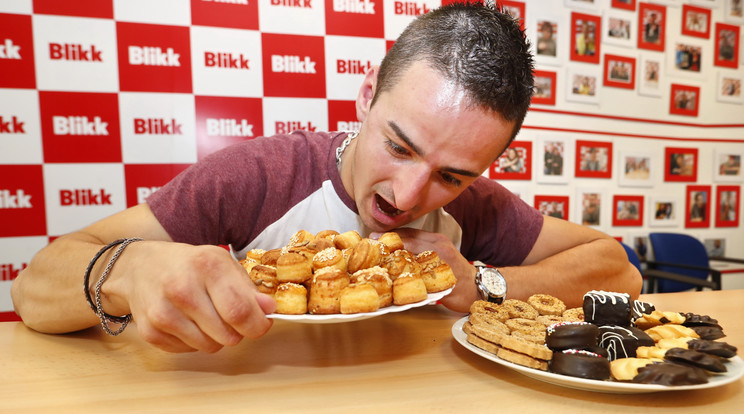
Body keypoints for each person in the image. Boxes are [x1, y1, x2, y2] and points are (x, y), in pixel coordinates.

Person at [12, 3, 641, 354]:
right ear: (366, 95)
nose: (407, 195)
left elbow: (619, 268)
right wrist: (127, 270)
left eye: (451, 175)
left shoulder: (474, 208)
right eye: (398, 145)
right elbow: (34, 288)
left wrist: (480, 281)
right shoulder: (258, 176)